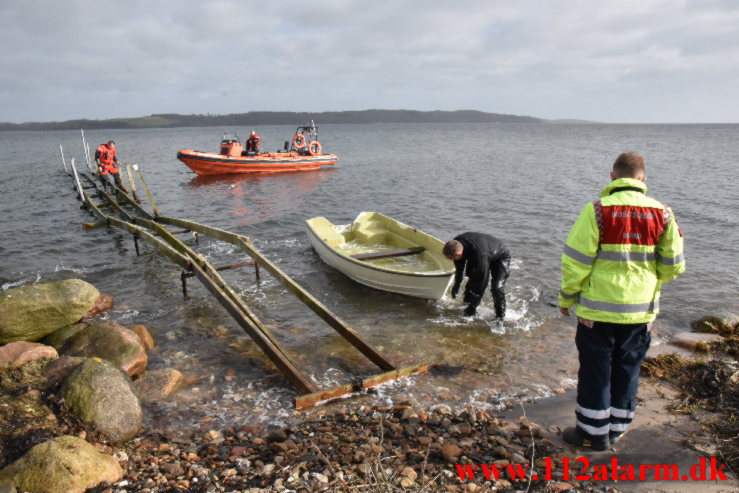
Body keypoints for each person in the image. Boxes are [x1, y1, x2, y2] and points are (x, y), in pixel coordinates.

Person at [558, 152, 685, 451]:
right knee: (628, 369)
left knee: (595, 369)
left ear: (612, 176)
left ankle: (592, 434)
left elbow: (576, 262)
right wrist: (647, 282)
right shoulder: (664, 213)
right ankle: (617, 430)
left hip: (596, 311)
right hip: (641, 312)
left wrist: (566, 297)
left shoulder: (596, 211)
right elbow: (673, 265)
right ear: (643, 179)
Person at [443, 232, 510, 319]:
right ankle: (465, 304)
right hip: (481, 251)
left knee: (496, 288)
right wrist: (457, 283)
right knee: (472, 280)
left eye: (452, 258)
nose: (451, 260)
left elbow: (483, 282)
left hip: (500, 256)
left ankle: (500, 317)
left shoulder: (480, 254)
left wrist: (473, 307)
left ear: (459, 254)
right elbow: (459, 266)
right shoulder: (456, 244)